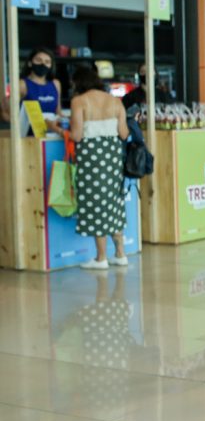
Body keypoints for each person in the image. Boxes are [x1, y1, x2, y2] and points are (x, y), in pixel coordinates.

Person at [69, 65, 130, 270]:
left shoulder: (79, 101)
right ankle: (120, 253)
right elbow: (123, 133)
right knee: (113, 201)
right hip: (112, 158)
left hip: (91, 160)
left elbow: (76, 135)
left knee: (96, 203)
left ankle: (101, 257)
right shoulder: (115, 101)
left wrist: (59, 129)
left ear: (78, 83)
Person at [18, 47, 62, 132]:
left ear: (51, 66)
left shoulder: (56, 84)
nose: (43, 64)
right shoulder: (22, 84)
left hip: (51, 135)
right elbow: (12, 114)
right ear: (30, 63)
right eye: (39, 60)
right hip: (28, 137)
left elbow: (58, 112)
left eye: (47, 62)